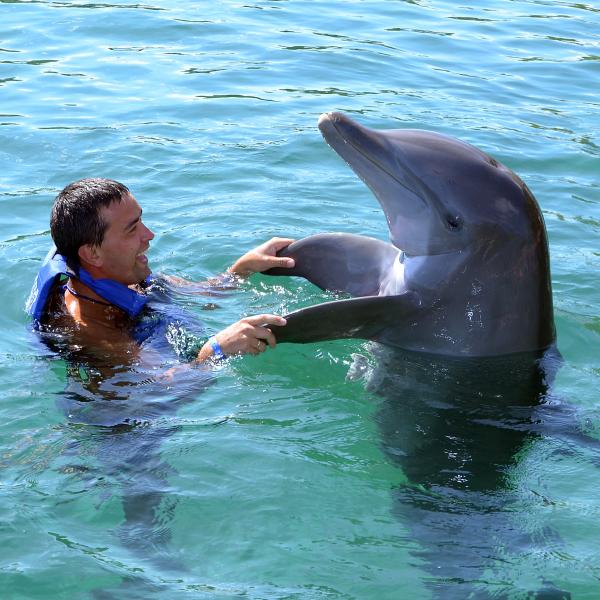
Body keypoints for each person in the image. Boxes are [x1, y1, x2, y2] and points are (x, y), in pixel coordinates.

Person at [28, 178, 295, 365]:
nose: (149, 235)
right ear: (92, 254)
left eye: (141, 220)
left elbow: (204, 294)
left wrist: (243, 268)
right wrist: (217, 350)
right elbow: (161, 392)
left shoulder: (129, 276)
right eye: (132, 229)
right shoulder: (91, 331)